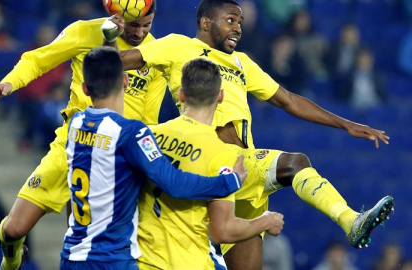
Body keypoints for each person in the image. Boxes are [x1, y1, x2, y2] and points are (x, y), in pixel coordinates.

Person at [104, 0, 394, 269]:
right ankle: (350, 220)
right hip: (214, 158)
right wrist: (108, 40)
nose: (238, 28)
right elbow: (114, 60)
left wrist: (346, 124)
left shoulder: (243, 62)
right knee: (295, 163)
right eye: (230, 20)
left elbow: (288, 100)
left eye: (240, 22)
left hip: (246, 173)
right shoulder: (177, 46)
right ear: (206, 23)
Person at [0, 2, 173, 269]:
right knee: (14, 229)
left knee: (81, 244)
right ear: (118, 16)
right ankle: (12, 257)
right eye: (134, 25)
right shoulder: (85, 32)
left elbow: (149, 119)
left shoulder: (153, 53)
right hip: (74, 143)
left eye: (147, 25)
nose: (140, 33)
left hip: (114, 156)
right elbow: (38, 59)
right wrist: (11, 82)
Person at [60, 47, 246, 270]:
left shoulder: (75, 124)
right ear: (126, 81)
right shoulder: (131, 133)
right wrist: (229, 182)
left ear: (84, 88)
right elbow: (173, 183)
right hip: (112, 259)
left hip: (71, 255)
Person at [137, 58, 284, 270]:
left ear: (181, 95)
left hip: (143, 261)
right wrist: (265, 221)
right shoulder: (222, 156)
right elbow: (222, 231)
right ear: (221, 97)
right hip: (188, 263)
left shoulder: (149, 135)